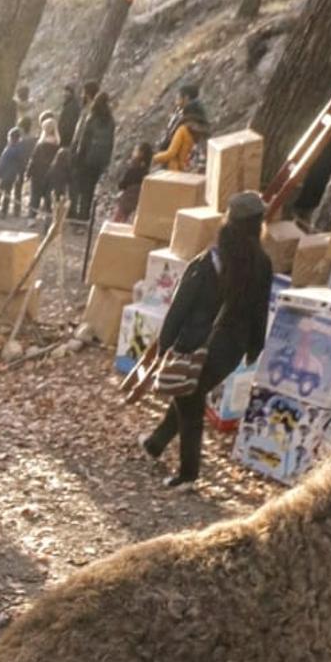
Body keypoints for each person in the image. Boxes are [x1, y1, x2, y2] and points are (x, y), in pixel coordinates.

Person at [141, 188, 272, 488]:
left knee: (189, 403)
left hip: (196, 343)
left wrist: (165, 343)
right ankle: (154, 444)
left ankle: (188, 474)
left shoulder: (208, 261)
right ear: (258, 225)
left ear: (228, 221)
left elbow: (180, 305)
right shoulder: (263, 264)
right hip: (231, 349)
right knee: (189, 392)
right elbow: (260, 310)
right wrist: (254, 347)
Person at [70, 84, 115, 221]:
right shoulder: (110, 121)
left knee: (82, 187)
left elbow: (84, 140)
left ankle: (79, 216)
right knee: (90, 190)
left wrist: (77, 156)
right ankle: (85, 217)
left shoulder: (92, 118)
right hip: (100, 161)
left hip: (86, 159)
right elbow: (111, 143)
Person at [153, 80, 211, 171]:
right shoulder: (202, 126)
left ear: (186, 98)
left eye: (178, 97)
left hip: (178, 170)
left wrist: (153, 159)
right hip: (196, 170)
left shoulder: (183, 127)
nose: (176, 100)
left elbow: (171, 153)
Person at [0, 125, 33, 215]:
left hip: (4, 175)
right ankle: (4, 211)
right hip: (12, 175)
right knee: (7, 192)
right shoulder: (20, 149)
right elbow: (21, 163)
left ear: (11, 138)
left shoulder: (9, 149)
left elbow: (2, 163)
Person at [27, 113, 62, 217]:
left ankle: (31, 218)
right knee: (49, 198)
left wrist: (28, 173)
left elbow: (33, 160)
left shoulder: (40, 146)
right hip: (51, 176)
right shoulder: (57, 147)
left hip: (38, 174)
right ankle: (48, 218)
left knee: (35, 197)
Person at [111, 139, 153, 222]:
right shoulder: (146, 171)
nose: (133, 153)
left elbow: (123, 184)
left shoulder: (133, 169)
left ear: (141, 154)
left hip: (127, 199)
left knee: (117, 219)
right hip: (137, 202)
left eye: (135, 150)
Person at [57, 83, 81, 149]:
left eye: (67, 92)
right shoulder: (69, 105)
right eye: (64, 92)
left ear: (71, 93)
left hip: (67, 138)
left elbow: (68, 124)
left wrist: (62, 136)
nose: (64, 94)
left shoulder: (71, 106)